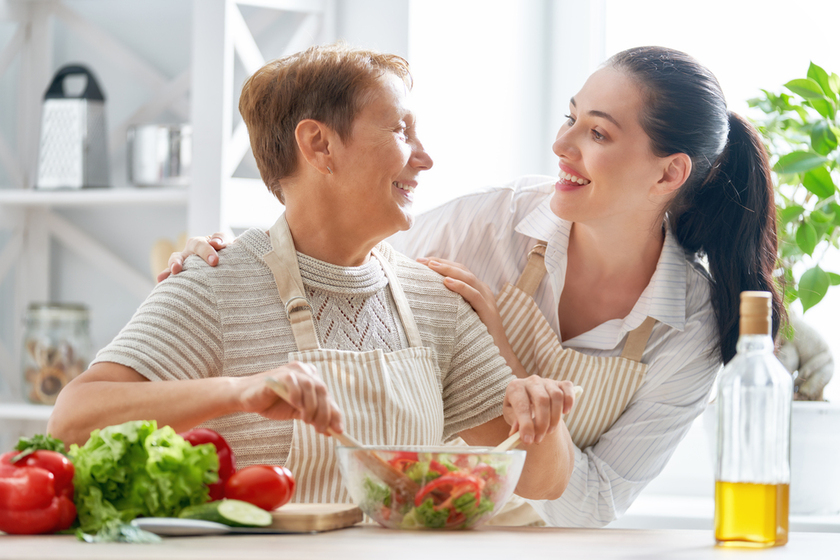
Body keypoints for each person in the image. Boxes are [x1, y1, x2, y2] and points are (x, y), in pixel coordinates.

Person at [168, 46, 782, 526]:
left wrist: (500, 354)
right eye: (569, 118)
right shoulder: (487, 224)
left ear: (669, 173)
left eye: (597, 133)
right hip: (419, 522)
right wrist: (236, 251)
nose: (560, 145)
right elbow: (337, 258)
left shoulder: (693, 324)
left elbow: (593, 504)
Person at [48, 44, 578, 505]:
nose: (426, 158)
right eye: (401, 129)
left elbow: (541, 479)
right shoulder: (215, 282)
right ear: (320, 145)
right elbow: (72, 422)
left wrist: (538, 409)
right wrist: (237, 391)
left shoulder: (432, 299)